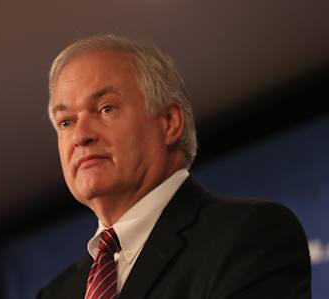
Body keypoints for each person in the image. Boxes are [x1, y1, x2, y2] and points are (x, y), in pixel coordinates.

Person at [37, 34, 311, 299]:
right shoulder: (55, 293)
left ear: (169, 121)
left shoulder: (249, 236)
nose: (80, 135)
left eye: (106, 109)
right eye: (66, 122)